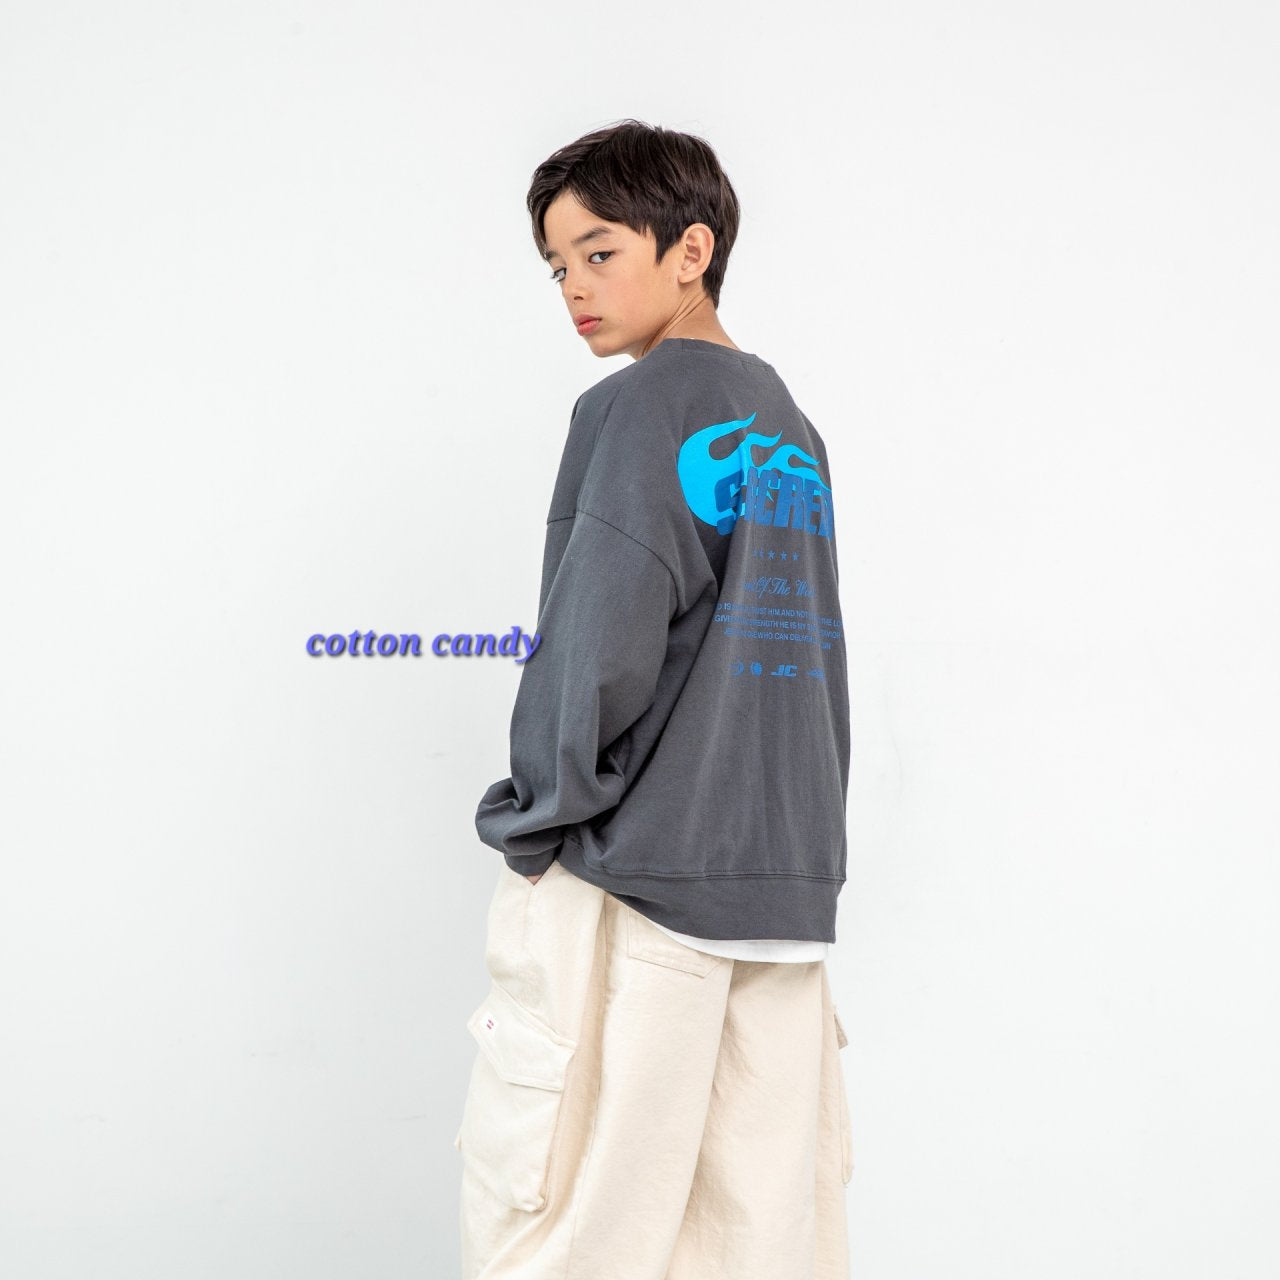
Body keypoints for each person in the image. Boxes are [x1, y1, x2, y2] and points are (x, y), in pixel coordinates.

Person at [453, 118, 853, 1279]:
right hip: (778, 894)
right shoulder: (789, 428)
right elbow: (802, 655)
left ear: (690, 250)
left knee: (568, 1232)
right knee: (750, 1244)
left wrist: (537, 814)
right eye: (556, 267)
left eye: (599, 252)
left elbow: (597, 641)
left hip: (643, 886)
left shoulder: (635, 409)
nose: (574, 289)